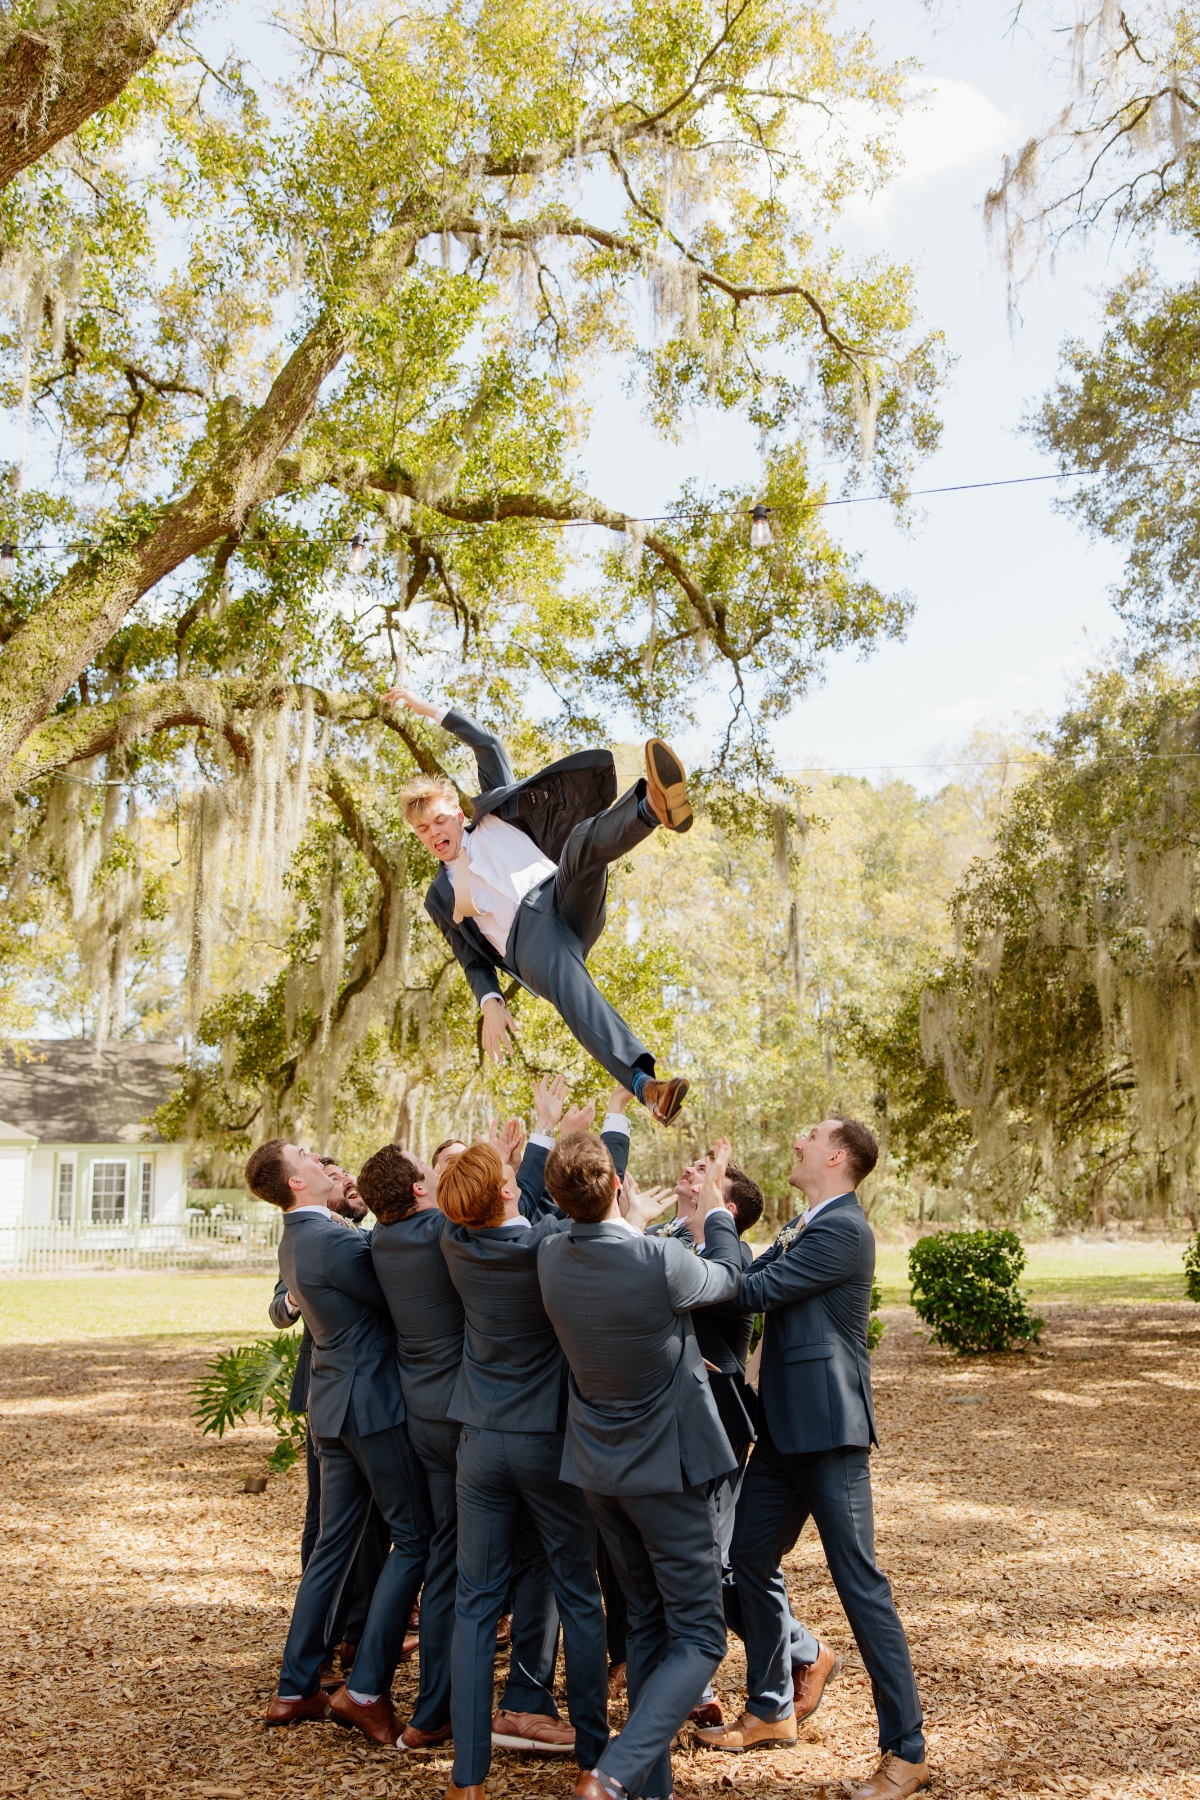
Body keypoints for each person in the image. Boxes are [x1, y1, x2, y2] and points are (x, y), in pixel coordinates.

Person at [698, 1116, 929, 1800]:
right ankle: (773, 1705)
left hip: (829, 1436)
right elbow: (746, 1272)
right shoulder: (808, 1223)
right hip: (779, 1437)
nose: (795, 1141)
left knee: (861, 1587)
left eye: (809, 1135)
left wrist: (717, 1210)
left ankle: (906, 1750)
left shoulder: (843, 1229)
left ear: (837, 1156)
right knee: (738, 1565)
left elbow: (748, 1289)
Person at [536, 1133, 744, 1800]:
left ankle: (648, 1789)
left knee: (649, 1622)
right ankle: (618, 1772)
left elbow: (601, 1242)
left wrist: (631, 1224)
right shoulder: (660, 1262)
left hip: (598, 1470)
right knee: (702, 1634)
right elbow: (728, 1279)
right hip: (666, 1473)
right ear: (619, 1187)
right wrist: (715, 1211)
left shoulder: (547, 1257)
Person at [386, 685, 692, 1125]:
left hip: (559, 894)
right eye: (421, 830)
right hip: (528, 944)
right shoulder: (440, 896)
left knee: (581, 842)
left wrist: (424, 708)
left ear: (456, 810)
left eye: (438, 820)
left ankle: (652, 809)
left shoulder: (494, 814)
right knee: (574, 994)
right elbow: (471, 960)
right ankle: (648, 1088)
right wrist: (489, 1001)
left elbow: (486, 743)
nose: (433, 833)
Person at [361, 1140, 565, 1752]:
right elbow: (511, 1220)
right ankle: (524, 1701)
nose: (440, 1176)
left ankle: (434, 1713)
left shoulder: (384, 1240)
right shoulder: (443, 1235)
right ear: (422, 1193)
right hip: (474, 1418)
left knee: (451, 1562)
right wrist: (535, 1149)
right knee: (533, 1557)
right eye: (433, 1172)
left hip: (422, 1413)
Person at [438, 1140, 612, 1800]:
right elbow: (586, 1208)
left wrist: (519, 1150)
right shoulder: (547, 1245)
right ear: (508, 1193)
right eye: (511, 1175)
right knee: (579, 1593)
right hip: (546, 1443)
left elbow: (491, 1200)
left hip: (479, 1443)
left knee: (477, 1606)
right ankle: (593, 1760)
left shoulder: (456, 1243)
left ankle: (467, 1779)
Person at [247, 1140, 432, 1748]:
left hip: (332, 1406)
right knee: (414, 1538)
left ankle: (296, 1685)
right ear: (295, 1182)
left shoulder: (297, 1236)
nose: (320, 1162)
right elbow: (395, 1291)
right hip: (370, 1406)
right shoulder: (332, 1240)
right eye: (306, 1157)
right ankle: (366, 1692)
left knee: (334, 1547)